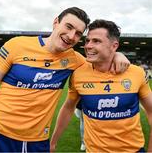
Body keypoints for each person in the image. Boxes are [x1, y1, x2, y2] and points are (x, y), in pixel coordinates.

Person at [0, 7, 130, 152]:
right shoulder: (16, 45)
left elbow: (101, 61)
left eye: (78, 33)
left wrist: (117, 54)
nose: (71, 36)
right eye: (68, 27)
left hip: (38, 142)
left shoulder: (76, 60)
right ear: (56, 22)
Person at [50, 19, 152, 152]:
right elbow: (68, 108)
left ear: (114, 46)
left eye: (96, 41)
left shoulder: (135, 73)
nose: (88, 46)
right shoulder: (79, 74)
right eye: (87, 40)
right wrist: (53, 142)